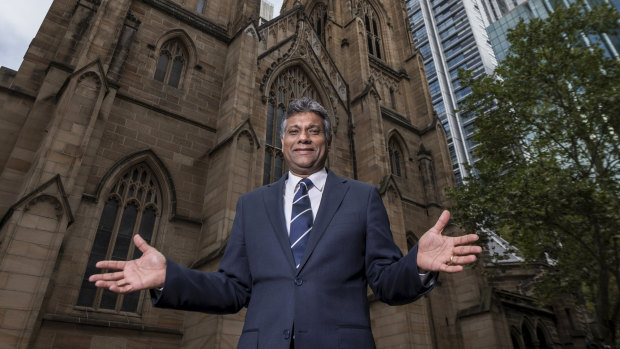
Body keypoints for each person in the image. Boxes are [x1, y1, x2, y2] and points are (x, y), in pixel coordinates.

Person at [90, 97, 482, 349]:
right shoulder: (252, 204)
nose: (304, 138)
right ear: (282, 143)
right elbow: (231, 289)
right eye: (294, 131)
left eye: (313, 131)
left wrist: (415, 264)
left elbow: (384, 281)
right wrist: (168, 277)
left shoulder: (362, 197)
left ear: (327, 141)